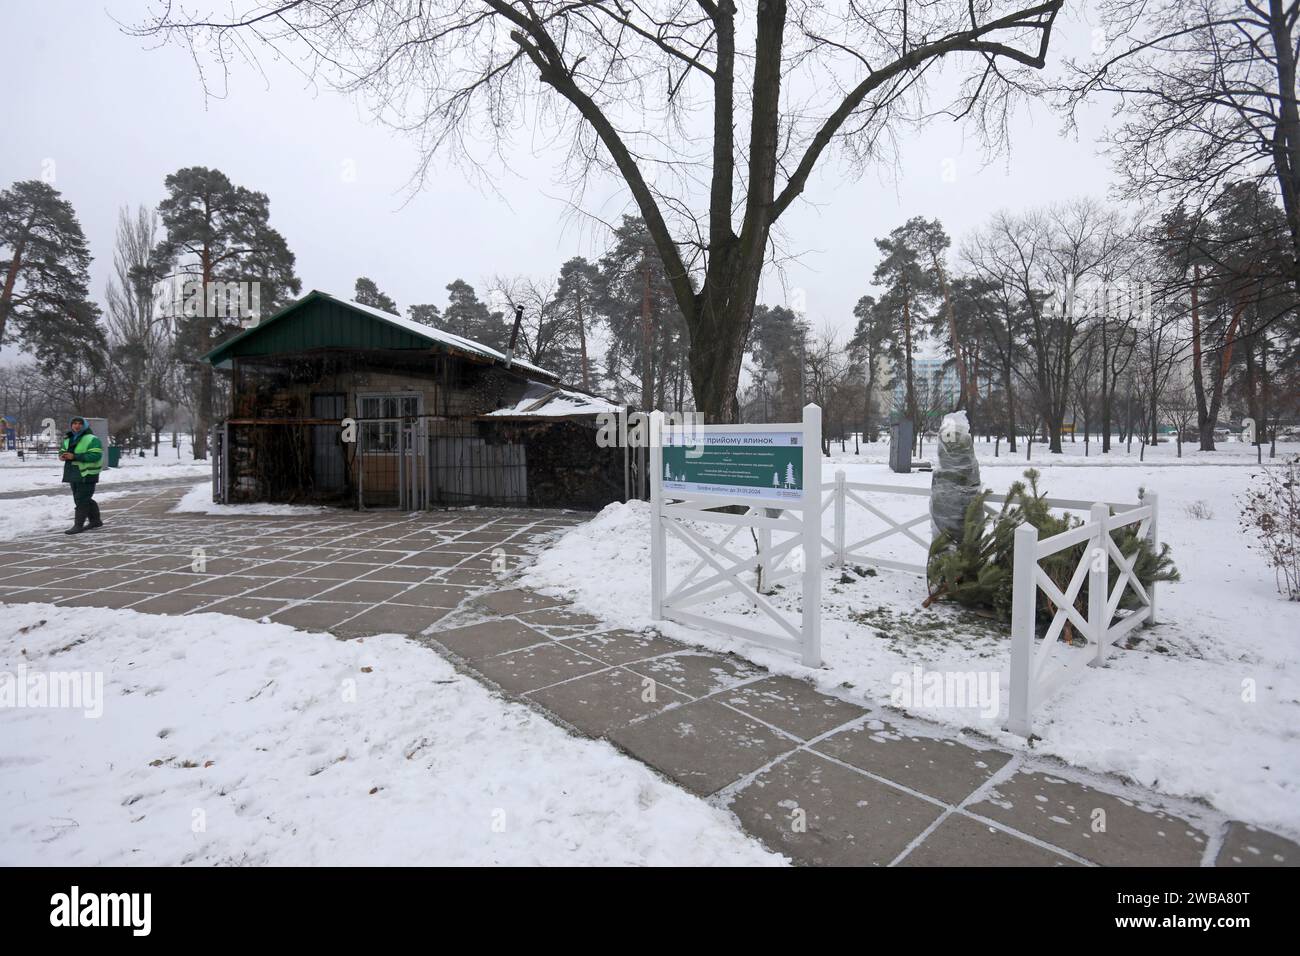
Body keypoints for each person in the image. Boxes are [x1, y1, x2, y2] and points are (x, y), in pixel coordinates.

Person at [59, 416, 104, 535]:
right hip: (72, 473)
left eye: (80, 423)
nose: (77, 425)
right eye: (74, 423)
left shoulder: (92, 439)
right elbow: (62, 450)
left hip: (87, 473)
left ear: (84, 425)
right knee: (82, 498)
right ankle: (95, 521)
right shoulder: (68, 438)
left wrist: (75, 456)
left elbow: (96, 455)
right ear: (71, 425)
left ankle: (78, 525)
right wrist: (62, 455)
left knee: (81, 499)